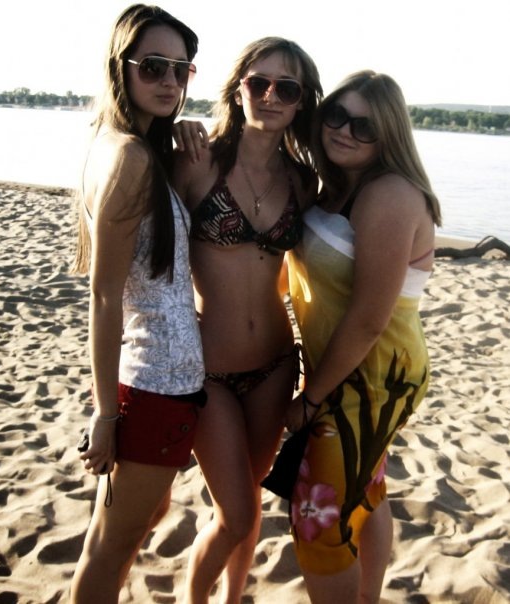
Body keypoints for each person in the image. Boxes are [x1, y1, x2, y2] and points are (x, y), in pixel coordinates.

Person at [172, 37, 322, 603]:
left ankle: (231, 598)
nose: (271, 95)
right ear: (239, 89)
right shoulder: (197, 160)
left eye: (287, 87)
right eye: (259, 82)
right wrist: (173, 129)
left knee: (250, 500)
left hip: (277, 368)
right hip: (208, 373)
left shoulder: (303, 181)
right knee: (234, 512)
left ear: (302, 101)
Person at [283, 70, 442, 603]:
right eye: (337, 115)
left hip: (372, 376)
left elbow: (370, 319)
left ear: (388, 135)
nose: (344, 131)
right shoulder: (336, 187)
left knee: (318, 527)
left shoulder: (389, 194)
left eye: (364, 126)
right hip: (346, 367)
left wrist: (311, 398)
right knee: (367, 490)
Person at [69, 5, 205, 602]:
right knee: (111, 545)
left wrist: (180, 141)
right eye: (152, 66)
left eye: (181, 69)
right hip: (153, 385)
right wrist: (105, 415)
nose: (169, 81)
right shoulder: (128, 157)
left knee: (134, 526)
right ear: (119, 67)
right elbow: (104, 296)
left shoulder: (128, 147)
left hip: (162, 382)